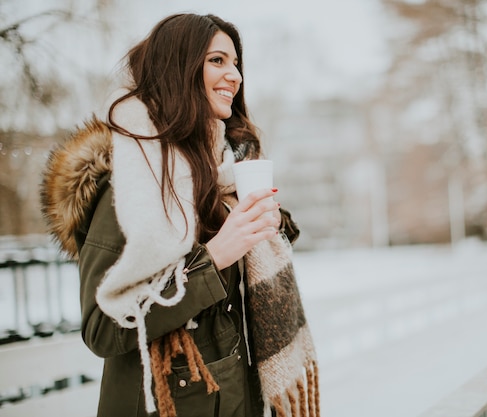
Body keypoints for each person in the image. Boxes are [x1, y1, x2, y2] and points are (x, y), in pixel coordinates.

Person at [40, 13, 319, 417]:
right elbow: (102, 329)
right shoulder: (130, 183)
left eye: (236, 63)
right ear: (179, 70)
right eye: (218, 61)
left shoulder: (224, 175)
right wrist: (215, 258)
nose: (235, 75)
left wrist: (269, 227)